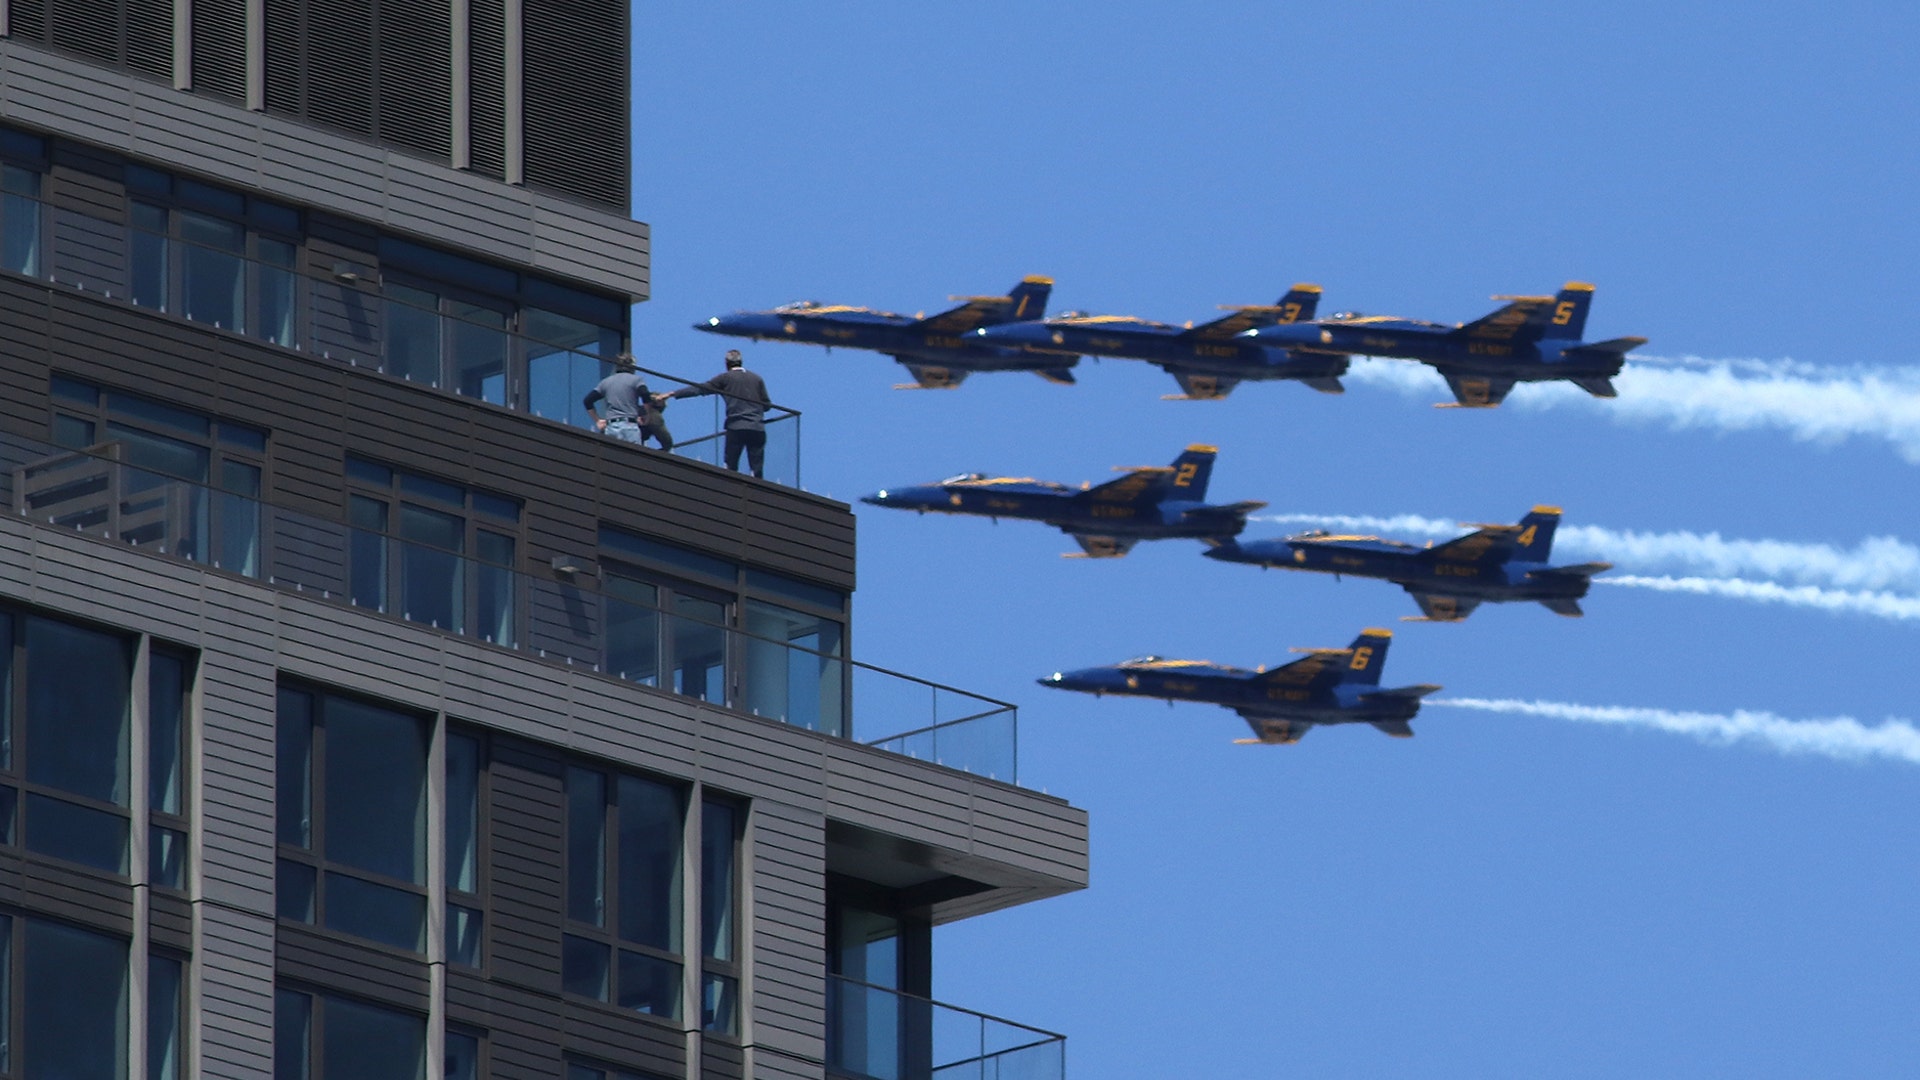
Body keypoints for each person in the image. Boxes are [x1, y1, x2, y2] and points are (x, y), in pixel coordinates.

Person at [669, 349, 771, 477]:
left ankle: (731, 492)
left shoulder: (725, 378)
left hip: (736, 426)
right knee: (757, 467)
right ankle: (758, 493)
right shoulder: (756, 378)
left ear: (727, 363)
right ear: (741, 362)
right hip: (757, 427)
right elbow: (767, 405)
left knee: (731, 467)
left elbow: (700, 389)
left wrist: (674, 394)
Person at [582, 354, 654, 446]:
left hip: (612, 427)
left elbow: (588, 400)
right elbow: (645, 395)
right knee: (633, 457)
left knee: (612, 456)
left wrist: (598, 420)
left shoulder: (606, 382)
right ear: (632, 367)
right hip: (630, 425)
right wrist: (648, 416)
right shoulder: (636, 380)